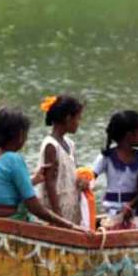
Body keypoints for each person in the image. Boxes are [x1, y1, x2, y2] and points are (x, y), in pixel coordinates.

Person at [0, 106, 86, 232]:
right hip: (8, 226)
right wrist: (70, 226)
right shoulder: (13, 160)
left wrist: (34, 180)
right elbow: (35, 208)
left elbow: (1, 188)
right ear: (20, 134)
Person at [35, 95, 85, 225]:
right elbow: (49, 182)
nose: (79, 122)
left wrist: (82, 181)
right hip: (57, 211)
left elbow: (73, 173)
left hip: (70, 205)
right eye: (78, 118)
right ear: (68, 118)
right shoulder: (51, 145)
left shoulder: (70, 144)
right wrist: (58, 217)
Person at [91, 110, 138, 229]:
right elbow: (90, 178)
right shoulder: (106, 157)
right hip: (112, 213)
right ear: (129, 136)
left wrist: (130, 206)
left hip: (136, 213)